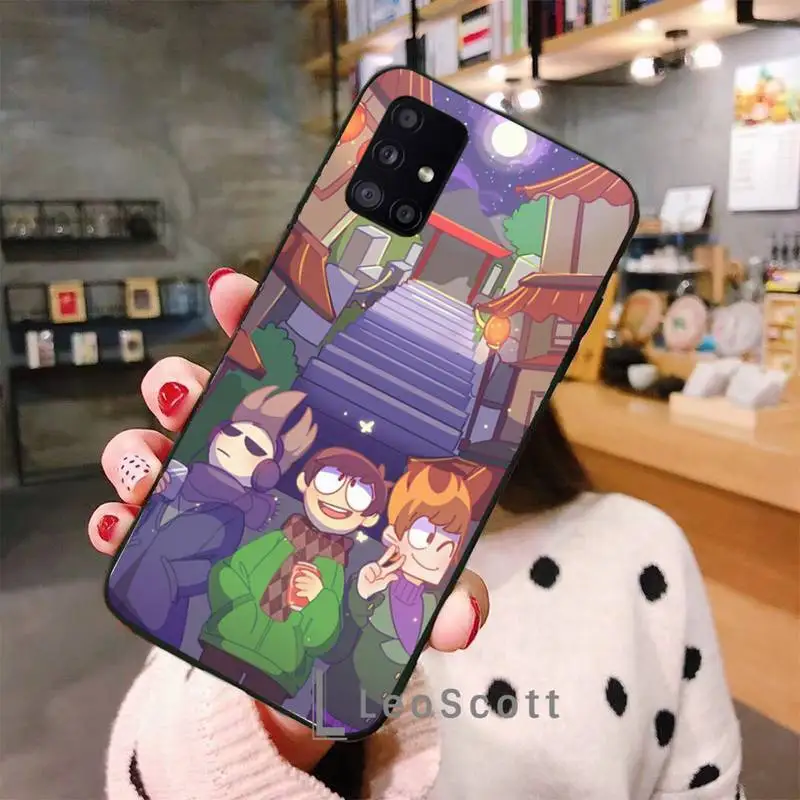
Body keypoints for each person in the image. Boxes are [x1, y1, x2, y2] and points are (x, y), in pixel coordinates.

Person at [89, 268, 745, 800]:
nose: (384, 409)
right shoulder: (256, 529)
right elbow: (147, 775)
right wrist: (271, 722)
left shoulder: (638, 547)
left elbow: (706, 783)